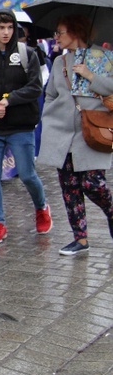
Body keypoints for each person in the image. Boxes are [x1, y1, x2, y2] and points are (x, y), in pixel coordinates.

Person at [0, 8, 51, 244]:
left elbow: (36, 86)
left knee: (27, 174)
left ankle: (41, 207)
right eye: (1, 28)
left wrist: (10, 100)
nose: (5, 32)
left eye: (9, 27)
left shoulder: (28, 54)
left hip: (21, 126)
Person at [38, 15, 113, 256]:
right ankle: (80, 239)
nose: (56, 37)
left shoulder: (100, 57)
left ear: (75, 31)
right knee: (69, 187)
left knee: (93, 184)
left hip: (91, 131)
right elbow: (50, 94)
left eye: (60, 32)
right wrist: (49, 116)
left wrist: (91, 76)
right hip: (62, 134)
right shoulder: (60, 61)